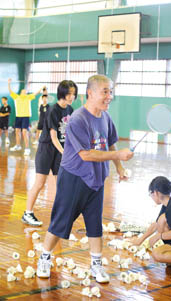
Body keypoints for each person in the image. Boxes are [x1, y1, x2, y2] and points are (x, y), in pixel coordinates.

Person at [36, 74, 133, 283]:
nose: (109, 96)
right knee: (60, 223)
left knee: (95, 224)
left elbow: (111, 142)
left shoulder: (106, 118)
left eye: (111, 92)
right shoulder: (78, 119)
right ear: (90, 93)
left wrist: (120, 167)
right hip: (74, 178)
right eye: (105, 91)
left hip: (96, 180)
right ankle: (44, 258)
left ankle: (96, 265)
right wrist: (117, 156)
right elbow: (86, 154)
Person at [21, 80, 78, 227]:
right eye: (69, 93)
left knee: (61, 184)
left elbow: (68, 133)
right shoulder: (53, 110)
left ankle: (60, 215)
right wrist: (65, 153)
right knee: (40, 183)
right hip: (46, 149)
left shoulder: (70, 110)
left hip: (60, 151)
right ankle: (27, 213)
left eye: (74, 93)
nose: (72, 96)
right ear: (62, 93)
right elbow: (53, 137)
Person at [8, 78, 43, 156]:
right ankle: (17, 146)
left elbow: (36, 93)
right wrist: (9, 83)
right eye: (23, 91)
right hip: (18, 116)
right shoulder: (16, 97)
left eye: (25, 91)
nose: (24, 91)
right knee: (17, 131)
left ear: (26, 93)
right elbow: (10, 91)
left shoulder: (28, 97)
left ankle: (27, 149)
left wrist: (40, 88)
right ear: (21, 93)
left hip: (25, 117)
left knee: (24, 132)